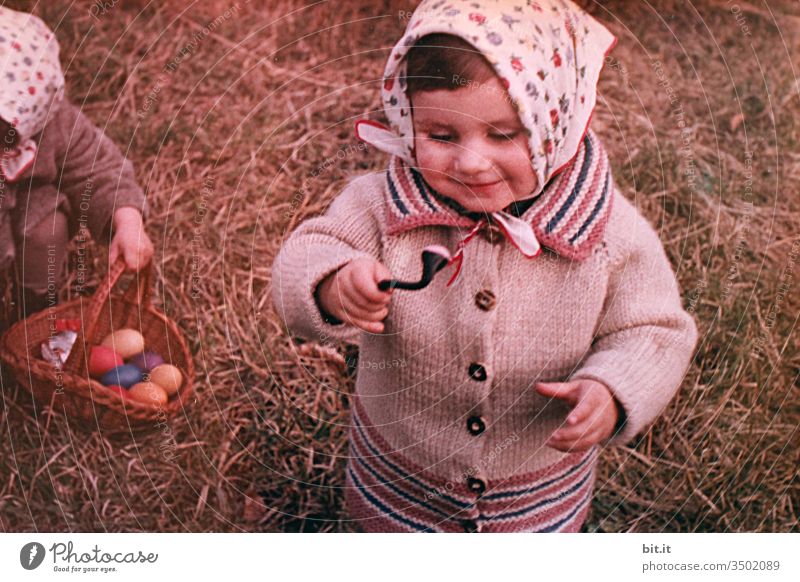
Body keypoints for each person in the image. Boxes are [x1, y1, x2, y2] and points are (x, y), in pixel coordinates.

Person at [271, 0, 698, 532]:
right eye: (441, 136)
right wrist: (334, 282)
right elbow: (304, 254)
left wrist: (613, 389)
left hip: (536, 492)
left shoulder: (606, 232)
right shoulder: (380, 206)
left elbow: (654, 329)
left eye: (502, 134)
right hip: (401, 482)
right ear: (408, 122)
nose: (471, 162)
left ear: (555, 124)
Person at [0, 7, 152, 318]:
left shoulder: (53, 124)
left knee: (46, 230)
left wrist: (127, 220)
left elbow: (100, 169)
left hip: (28, 204)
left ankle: (34, 307)